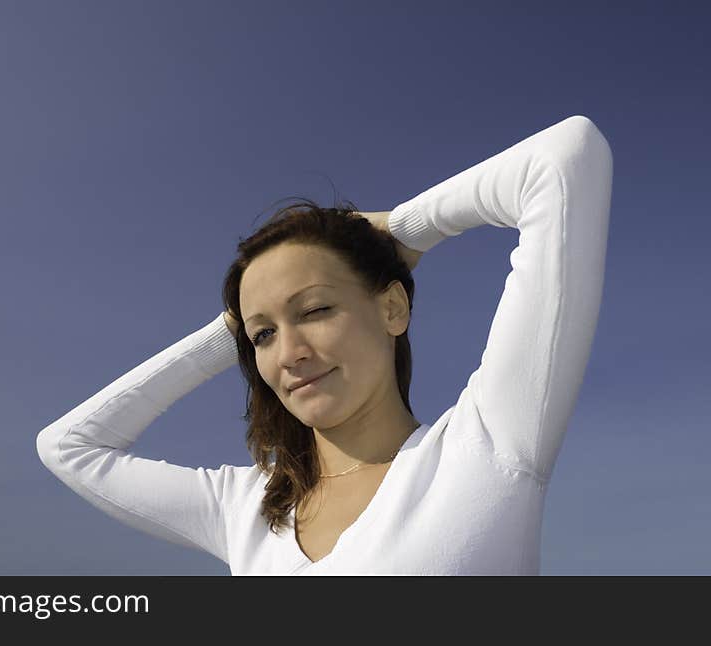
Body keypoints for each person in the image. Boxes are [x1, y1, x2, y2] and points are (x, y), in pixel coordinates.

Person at [36, 114, 613, 575]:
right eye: (264, 336)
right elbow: (69, 446)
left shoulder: (486, 447)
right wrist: (231, 331)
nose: (288, 354)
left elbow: (563, 160)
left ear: (392, 308)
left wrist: (405, 229)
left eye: (313, 310)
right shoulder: (246, 509)